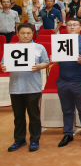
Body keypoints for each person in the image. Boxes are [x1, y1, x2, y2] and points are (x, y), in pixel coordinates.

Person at [1, 23, 49, 152]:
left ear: (32, 33)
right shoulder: (11, 49)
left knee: (34, 116)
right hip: (16, 87)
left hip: (33, 87)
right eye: (22, 33)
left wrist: (38, 66)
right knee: (18, 116)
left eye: (28, 33)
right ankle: (19, 140)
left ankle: (34, 140)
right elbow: (3, 64)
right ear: (17, 33)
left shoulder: (39, 47)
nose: (25, 35)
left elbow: (46, 62)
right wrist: (3, 67)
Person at [51, 18, 81, 148]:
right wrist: (54, 60)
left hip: (80, 81)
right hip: (63, 81)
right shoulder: (61, 41)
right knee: (67, 110)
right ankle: (68, 133)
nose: (72, 27)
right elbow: (58, 63)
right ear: (66, 27)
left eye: (75, 25)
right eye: (69, 25)